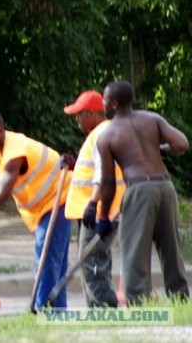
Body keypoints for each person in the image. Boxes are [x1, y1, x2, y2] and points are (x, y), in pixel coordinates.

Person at [0, 110, 72, 310]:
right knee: (54, 260)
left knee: (46, 257)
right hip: (46, 203)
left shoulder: (14, 151)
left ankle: (43, 309)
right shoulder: (0, 147)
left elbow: (2, 193)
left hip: (57, 198)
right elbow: (5, 187)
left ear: (0, 130)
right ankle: (57, 311)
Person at [97, 80, 189, 304]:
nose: (103, 104)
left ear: (115, 104)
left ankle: (139, 301)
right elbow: (181, 143)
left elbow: (107, 183)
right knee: (171, 247)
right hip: (165, 187)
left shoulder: (107, 136)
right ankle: (180, 297)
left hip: (139, 190)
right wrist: (161, 150)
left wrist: (103, 216)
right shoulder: (152, 119)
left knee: (134, 249)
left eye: (105, 100)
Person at [63, 90, 126, 307]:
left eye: (79, 114)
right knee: (94, 259)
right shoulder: (101, 132)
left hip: (100, 210)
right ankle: (96, 310)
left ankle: (104, 308)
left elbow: (103, 174)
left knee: (92, 260)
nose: (76, 119)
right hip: (98, 209)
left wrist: (93, 205)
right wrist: (73, 166)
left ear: (91, 113)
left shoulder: (101, 133)